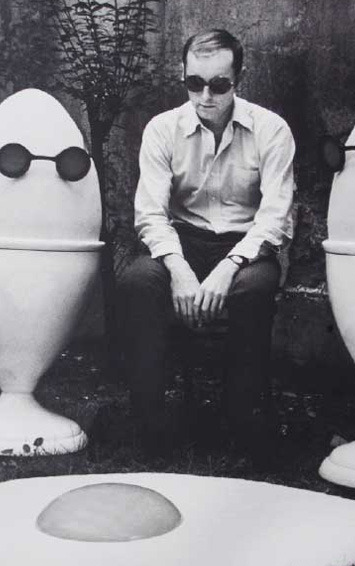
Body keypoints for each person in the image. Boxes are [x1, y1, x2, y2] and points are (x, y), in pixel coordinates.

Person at [116, 29, 295, 451]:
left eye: (219, 85)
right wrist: (178, 268)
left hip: (247, 247)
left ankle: (240, 423)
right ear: (183, 75)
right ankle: (150, 425)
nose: (205, 96)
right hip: (183, 241)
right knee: (138, 281)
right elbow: (150, 213)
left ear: (239, 79)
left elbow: (275, 218)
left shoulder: (271, 130)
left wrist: (229, 267)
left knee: (252, 291)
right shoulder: (163, 129)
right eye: (194, 83)